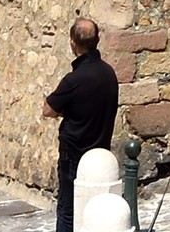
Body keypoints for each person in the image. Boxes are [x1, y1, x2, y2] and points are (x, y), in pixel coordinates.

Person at [42, 18, 120, 232]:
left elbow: (48, 109)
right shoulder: (109, 73)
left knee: (68, 209)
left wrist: (65, 110)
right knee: (98, 210)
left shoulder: (73, 80)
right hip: (100, 153)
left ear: (72, 43)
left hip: (74, 157)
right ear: (98, 40)